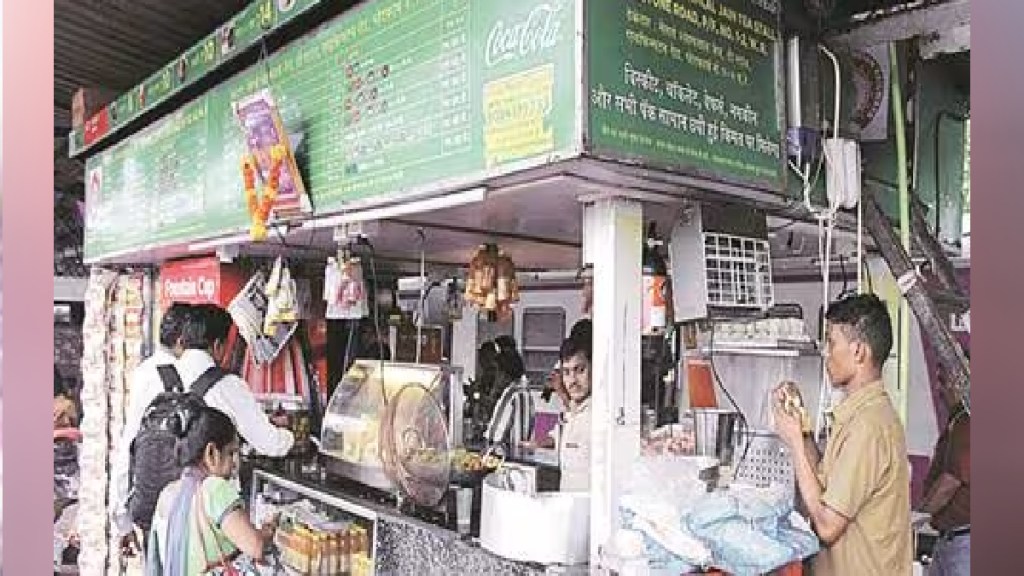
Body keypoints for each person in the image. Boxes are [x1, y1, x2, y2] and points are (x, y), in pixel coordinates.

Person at [772, 294, 912, 576]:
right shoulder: (857, 416)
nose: (826, 352)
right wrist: (803, 430)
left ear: (858, 351)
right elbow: (823, 489)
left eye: (832, 342)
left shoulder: (869, 427)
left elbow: (826, 527)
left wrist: (795, 445)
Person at [148, 404, 277, 574]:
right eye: (231, 453)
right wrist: (268, 530)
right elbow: (255, 546)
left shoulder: (168, 493)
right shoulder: (214, 488)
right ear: (211, 453)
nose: (234, 463)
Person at [111, 302, 193, 543]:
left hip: (153, 505)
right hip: (184, 508)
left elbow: (131, 444)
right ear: (181, 341)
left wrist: (122, 518)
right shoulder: (183, 376)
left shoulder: (146, 372)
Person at [918, 353, 970, 576]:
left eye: (944, 380)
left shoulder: (968, 422)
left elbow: (949, 483)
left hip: (964, 543)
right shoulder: (957, 421)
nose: (939, 389)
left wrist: (919, 515)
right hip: (949, 539)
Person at [538, 329, 593, 492]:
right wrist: (534, 444)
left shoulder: (600, 414)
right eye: (567, 372)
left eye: (580, 370)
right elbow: (556, 438)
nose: (572, 381)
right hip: (570, 507)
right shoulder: (573, 412)